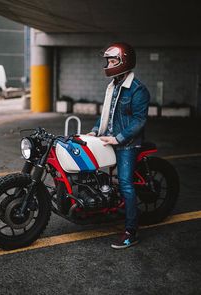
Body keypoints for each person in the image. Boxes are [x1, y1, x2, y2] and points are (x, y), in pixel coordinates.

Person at [87, 42, 150, 249]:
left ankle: (131, 232)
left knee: (125, 184)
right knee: (94, 171)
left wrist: (118, 138)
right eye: (109, 60)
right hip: (108, 138)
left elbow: (139, 121)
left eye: (113, 60)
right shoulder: (113, 85)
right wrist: (96, 130)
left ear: (124, 61)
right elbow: (107, 113)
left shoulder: (137, 90)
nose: (109, 64)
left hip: (127, 143)